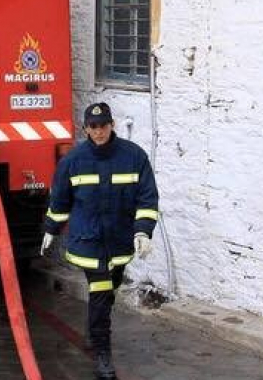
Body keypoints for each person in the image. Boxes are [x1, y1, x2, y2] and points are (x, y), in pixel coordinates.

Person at [41, 102, 159, 379]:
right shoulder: (73, 160)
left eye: (103, 125)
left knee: (108, 291)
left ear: (112, 125)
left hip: (118, 242)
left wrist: (142, 230)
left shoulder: (134, 157)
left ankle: (95, 331)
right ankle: (102, 354)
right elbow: (59, 200)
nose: (99, 131)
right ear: (86, 129)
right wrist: (50, 229)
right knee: (101, 292)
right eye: (93, 127)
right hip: (89, 242)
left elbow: (147, 197)